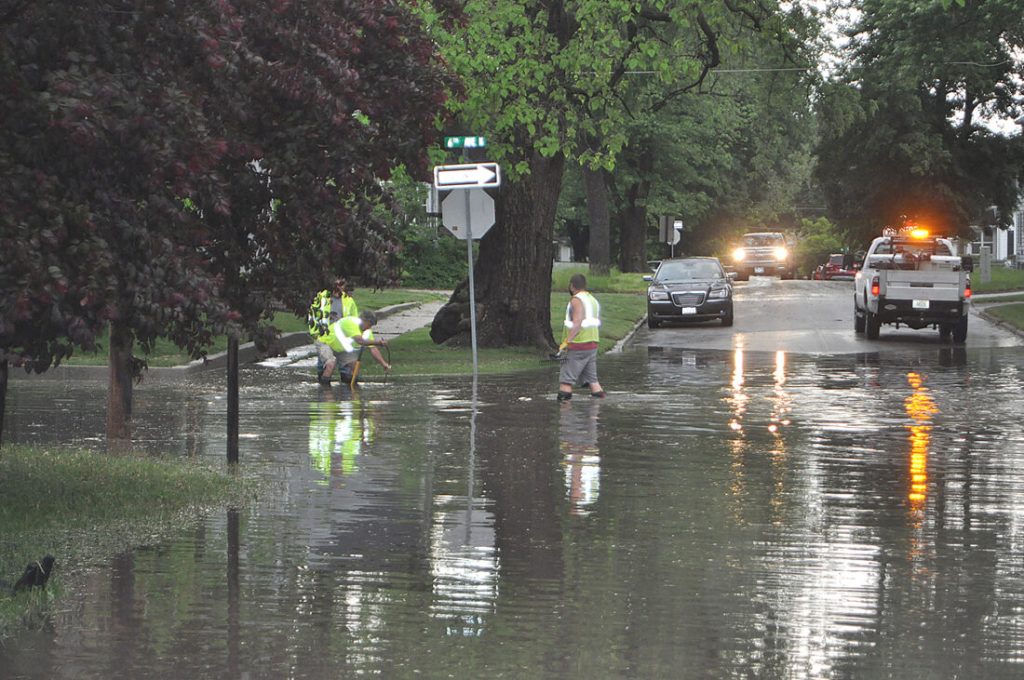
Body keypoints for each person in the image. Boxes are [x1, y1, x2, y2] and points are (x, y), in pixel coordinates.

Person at [557, 273, 605, 401]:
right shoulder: (592, 300)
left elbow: (577, 322)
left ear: (572, 286)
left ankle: (566, 417)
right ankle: (596, 414)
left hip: (578, 344)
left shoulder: (576, 300)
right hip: (592, 344)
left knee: (566, 382)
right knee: (593, 382)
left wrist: (567, 342)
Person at [317, 309, 391, 386]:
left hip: (341, 349)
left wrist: (384, 364)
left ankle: (351, 390)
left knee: (355, 366)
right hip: (325, 343)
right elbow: (360, 341)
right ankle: (324, 391)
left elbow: (373, 348)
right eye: (369, 324)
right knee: (330, 364)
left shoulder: (367, 332)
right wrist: (379, 342)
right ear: (363, 320)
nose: (369, 328)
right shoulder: (351, 323)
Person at [309, 279, 360, 381]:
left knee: (347, 369)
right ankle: (324, 386)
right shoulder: (322, 298)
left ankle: (348, 386)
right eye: (338, 284)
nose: (340, 287)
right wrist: (316, 334)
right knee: (327, 365)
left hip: (342, 339)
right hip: (325, 338)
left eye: (342, 284)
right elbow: (313, 316)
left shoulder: (348, 301)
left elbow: (355, 319)